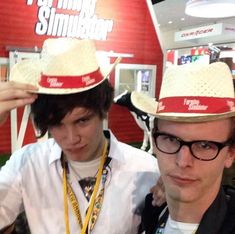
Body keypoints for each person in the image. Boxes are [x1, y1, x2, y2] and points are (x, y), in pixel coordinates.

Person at [0, 38, 160, 234]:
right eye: (57, 124)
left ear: (103, 109)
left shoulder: (146, 169)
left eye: (82, 121)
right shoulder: (26, 163)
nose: (71, 138)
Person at [132, 62, 235, 234]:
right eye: (171, 139)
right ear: (155, 140)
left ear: (230, 153)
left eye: (204, 145)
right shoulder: (150, 210)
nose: (183, 161)